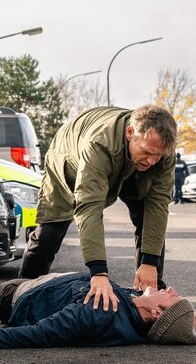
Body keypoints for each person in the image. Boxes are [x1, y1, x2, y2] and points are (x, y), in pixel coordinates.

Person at [17, 105, 178, 312]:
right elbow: (89, 207)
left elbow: (158, 205)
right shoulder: (99, 143)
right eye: (147, 152)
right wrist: (98, 272)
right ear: (130, 133)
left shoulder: (162, 150)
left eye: (158, 155)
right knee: (49, 232)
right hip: (70, 160)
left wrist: (150, 262)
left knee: (149, 220)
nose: (152, 161)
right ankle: (21, 297)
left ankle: (149, 299)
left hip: (127, 162)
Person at [0, 266, 196, 349]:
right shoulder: (136, 309)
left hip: (17, 298)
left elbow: (39, 334)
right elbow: (171, 324)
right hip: (46, 287)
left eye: (173, 298)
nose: (171, 290)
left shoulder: (98, 314)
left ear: (156, 313)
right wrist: (185, 319)